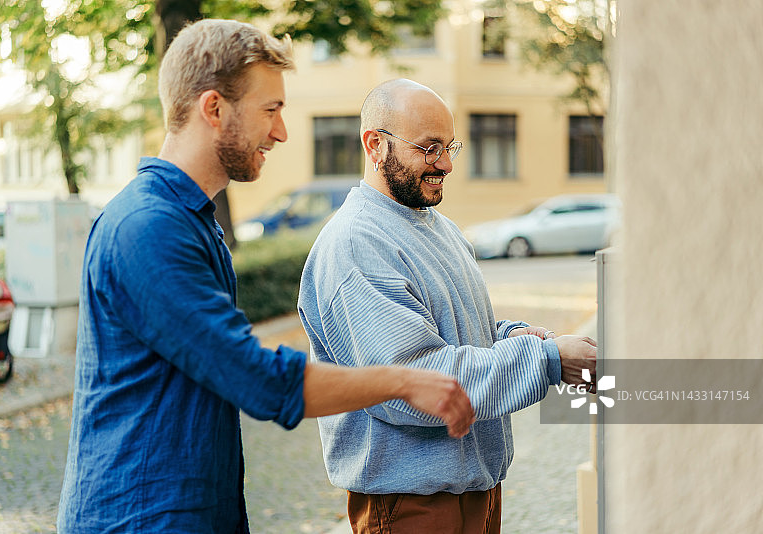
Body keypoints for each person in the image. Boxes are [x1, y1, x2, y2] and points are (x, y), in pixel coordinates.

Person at [57, 23, 476, 533]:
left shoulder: (190, 222)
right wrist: (404, 379)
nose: (281, 133)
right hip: (139, 518)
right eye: (271, 110)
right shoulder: (149, 227)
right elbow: (256, 379)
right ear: (214, 109)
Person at [297, 78, 598, 534]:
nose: (445, 164)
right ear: (375, 145)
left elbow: (457, 331)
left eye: (450, 146)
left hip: (476, 491)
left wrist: (512, 335)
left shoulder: (439, 227)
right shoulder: (357, 244)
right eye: (429, 147)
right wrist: (549, 360)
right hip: (412, 505)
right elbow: (418, 383)